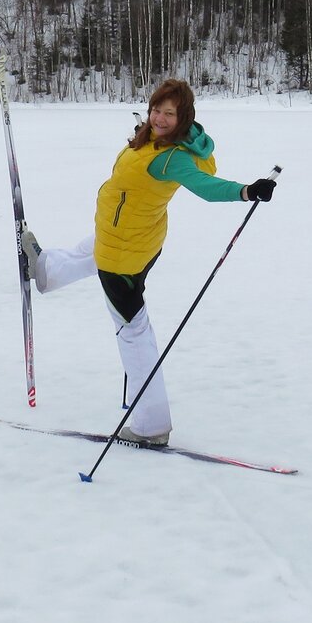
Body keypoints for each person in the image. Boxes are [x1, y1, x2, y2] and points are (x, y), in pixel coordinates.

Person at [21, 78, 276, 447]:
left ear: (183, 118)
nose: (158, 117)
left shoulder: (172, 159)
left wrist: (246, 191)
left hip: (123, 252)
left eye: (169, 114)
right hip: (129, 235)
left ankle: (150, 424)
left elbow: (205, 185)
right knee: (87, 249)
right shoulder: (158, 140)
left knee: (134, 333)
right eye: (156, 109)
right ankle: (47, 272)